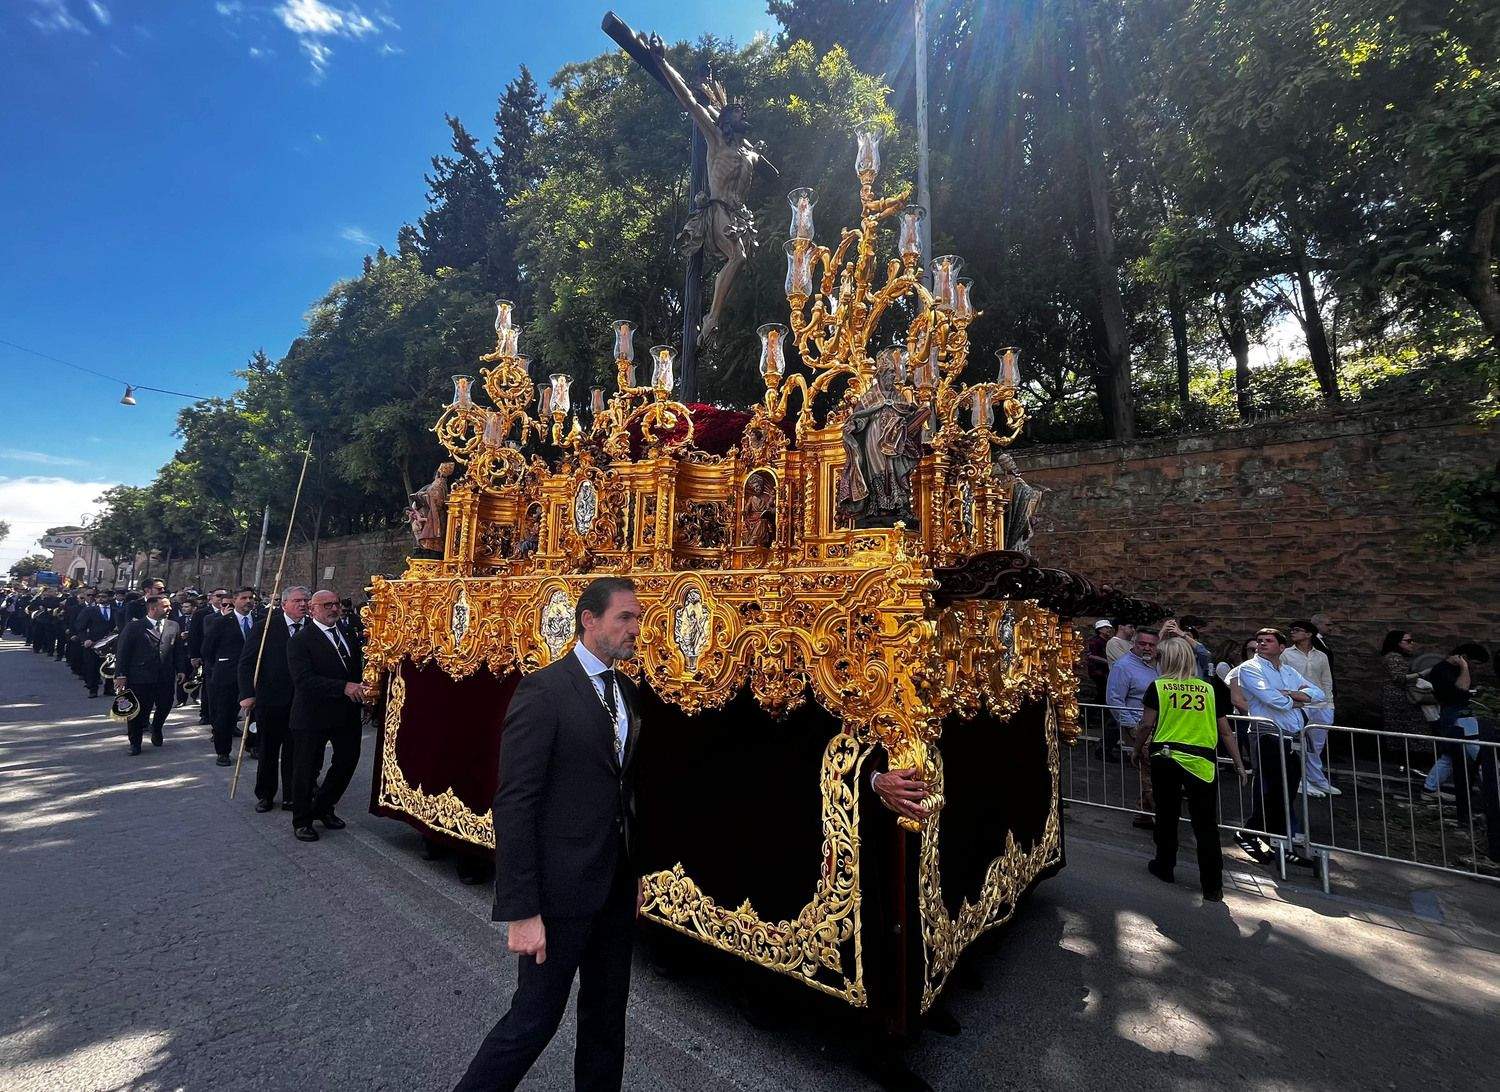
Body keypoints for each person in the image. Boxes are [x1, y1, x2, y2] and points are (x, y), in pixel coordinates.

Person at [455, 577, 644, 1092]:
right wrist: (521, 909)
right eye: (624, 618)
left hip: (613, 889)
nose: (635, 628)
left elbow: (622, 790)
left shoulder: (627, 691)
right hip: (558, 894)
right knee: (533, 1022)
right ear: (589, 619)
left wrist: (634, 871)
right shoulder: (544, 690)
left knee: (606, 1022)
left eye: (638, 617)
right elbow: (515, 802)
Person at [1134, 637, 1247, 900]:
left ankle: (1165, 865)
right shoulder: (1208, 689)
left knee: (1166, 815)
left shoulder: (1158, 687)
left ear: (1166, 660)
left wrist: (1137, 749)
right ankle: (1212, 886)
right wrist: (1239, 763)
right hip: (1201, 761)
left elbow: (1145, 726)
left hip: (1166, 757)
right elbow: (1225, 732)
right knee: (1206, 824)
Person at [1235, 629, 1325, 862]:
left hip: (1292, 736)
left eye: (1269, 640)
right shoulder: (1250, 668)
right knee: (1272, 788)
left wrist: (1291, 694)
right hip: (1267, 734)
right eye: (1260, 640)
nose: (1262, 643)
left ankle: (1273, 841)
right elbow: (1271, 699)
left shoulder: (1288, 671)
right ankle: (1257, 835)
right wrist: (1295, 700)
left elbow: (1317, 693)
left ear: (1281, 647)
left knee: (1286, 790)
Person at [287, 590, 369, 842]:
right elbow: (304, 680)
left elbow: (355, 667)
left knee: (347, 760)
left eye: (337, 604)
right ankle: (302, 820)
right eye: (327, 605)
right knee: (306, 768)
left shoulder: (346, 633)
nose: (334, 609)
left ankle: (323, 807)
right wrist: (342, 687)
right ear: (313, 610)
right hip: (313, 714)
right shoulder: (300, 641)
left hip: (346, 713)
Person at [239, 586, 310, 813]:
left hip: (301, 702)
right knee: (268, 750)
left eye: (305, 600)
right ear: (284, 604)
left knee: (295, 751)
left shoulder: (311, 628)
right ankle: (266, 795)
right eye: (297, 601)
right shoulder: (266, 627)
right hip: (270, 699)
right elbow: (247, 663)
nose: (303, 604)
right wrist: (247, 694)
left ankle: (291, 795)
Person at [1426, 643, 1490, 827]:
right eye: (1474, 663)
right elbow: (1460, 690)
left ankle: (1429, 787)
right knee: (1478, 753)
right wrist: (1464, 667)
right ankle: (1492, 790)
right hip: (1455, 715)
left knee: (1449, 755)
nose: (1475, 667)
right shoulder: (1442, 670)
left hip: (1463, 713)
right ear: (1463, 657)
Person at [111, 595, 176, 754]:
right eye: (165, 606)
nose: (170, 609)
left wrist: (181, 670)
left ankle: (157, 728)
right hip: (140, 677)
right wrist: (120, 674)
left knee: (165, 705)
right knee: (138, 711)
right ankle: (135, 742)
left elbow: (178, 651)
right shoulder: (135, 627)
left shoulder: (173, 625)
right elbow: (123, 651)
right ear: (153, 608)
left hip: (165, 676)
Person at [201, 587, 256, 767]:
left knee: (256, 714)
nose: (248, 601)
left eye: (251, 598)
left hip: (255, 676)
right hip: (227, 676)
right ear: (234, 600)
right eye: (244, 598)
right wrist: (220, 665)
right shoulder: (221, 622)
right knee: (224, 715)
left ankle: (253, 744)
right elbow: (207, 650)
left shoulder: (261, 622)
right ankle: (223, 751)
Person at [1283, 620, 1338, 797]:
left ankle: (1316, 778)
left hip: (1321, 703)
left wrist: (1329, 704)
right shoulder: (1286, 654)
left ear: (1308, 634)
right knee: (1299, 743)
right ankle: (1300, 780)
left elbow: (1327, 680)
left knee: (1317, 745)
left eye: (1297, 630)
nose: (1293, 632)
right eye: (1292, 630)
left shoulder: (1320, 656)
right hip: (1300, 704)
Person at [188, 588, 228, 725]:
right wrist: (194, 655)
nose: (221, 598)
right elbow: (194, 635)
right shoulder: (202, 614)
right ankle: (206, 713)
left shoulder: (232, 613)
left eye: (224, 596)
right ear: (211, 598)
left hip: (225, 656)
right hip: (207, 655)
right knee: (207, 686)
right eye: (218, 596)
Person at [73, 588, 118, 699]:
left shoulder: (116, 610)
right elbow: (80, 626)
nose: (101, 599)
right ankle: (93, 690)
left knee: (111, 665)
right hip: (93, 643)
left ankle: (109, 688)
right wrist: (85, 639)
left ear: (110, 598)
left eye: (104, 596)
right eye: (99, 597)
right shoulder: (89, 610)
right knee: (92, 667)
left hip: (111, 644)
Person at [1085, 620, 1113, 703]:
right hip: (1097, 671)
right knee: (1101, 692)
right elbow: (1090, 655)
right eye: (1106, 628)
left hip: (1105, 671)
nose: (1109, 630)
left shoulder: (1107, 641)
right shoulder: (1095, 641)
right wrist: (1106, 661)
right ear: (1100, 630)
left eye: (1109, 628)